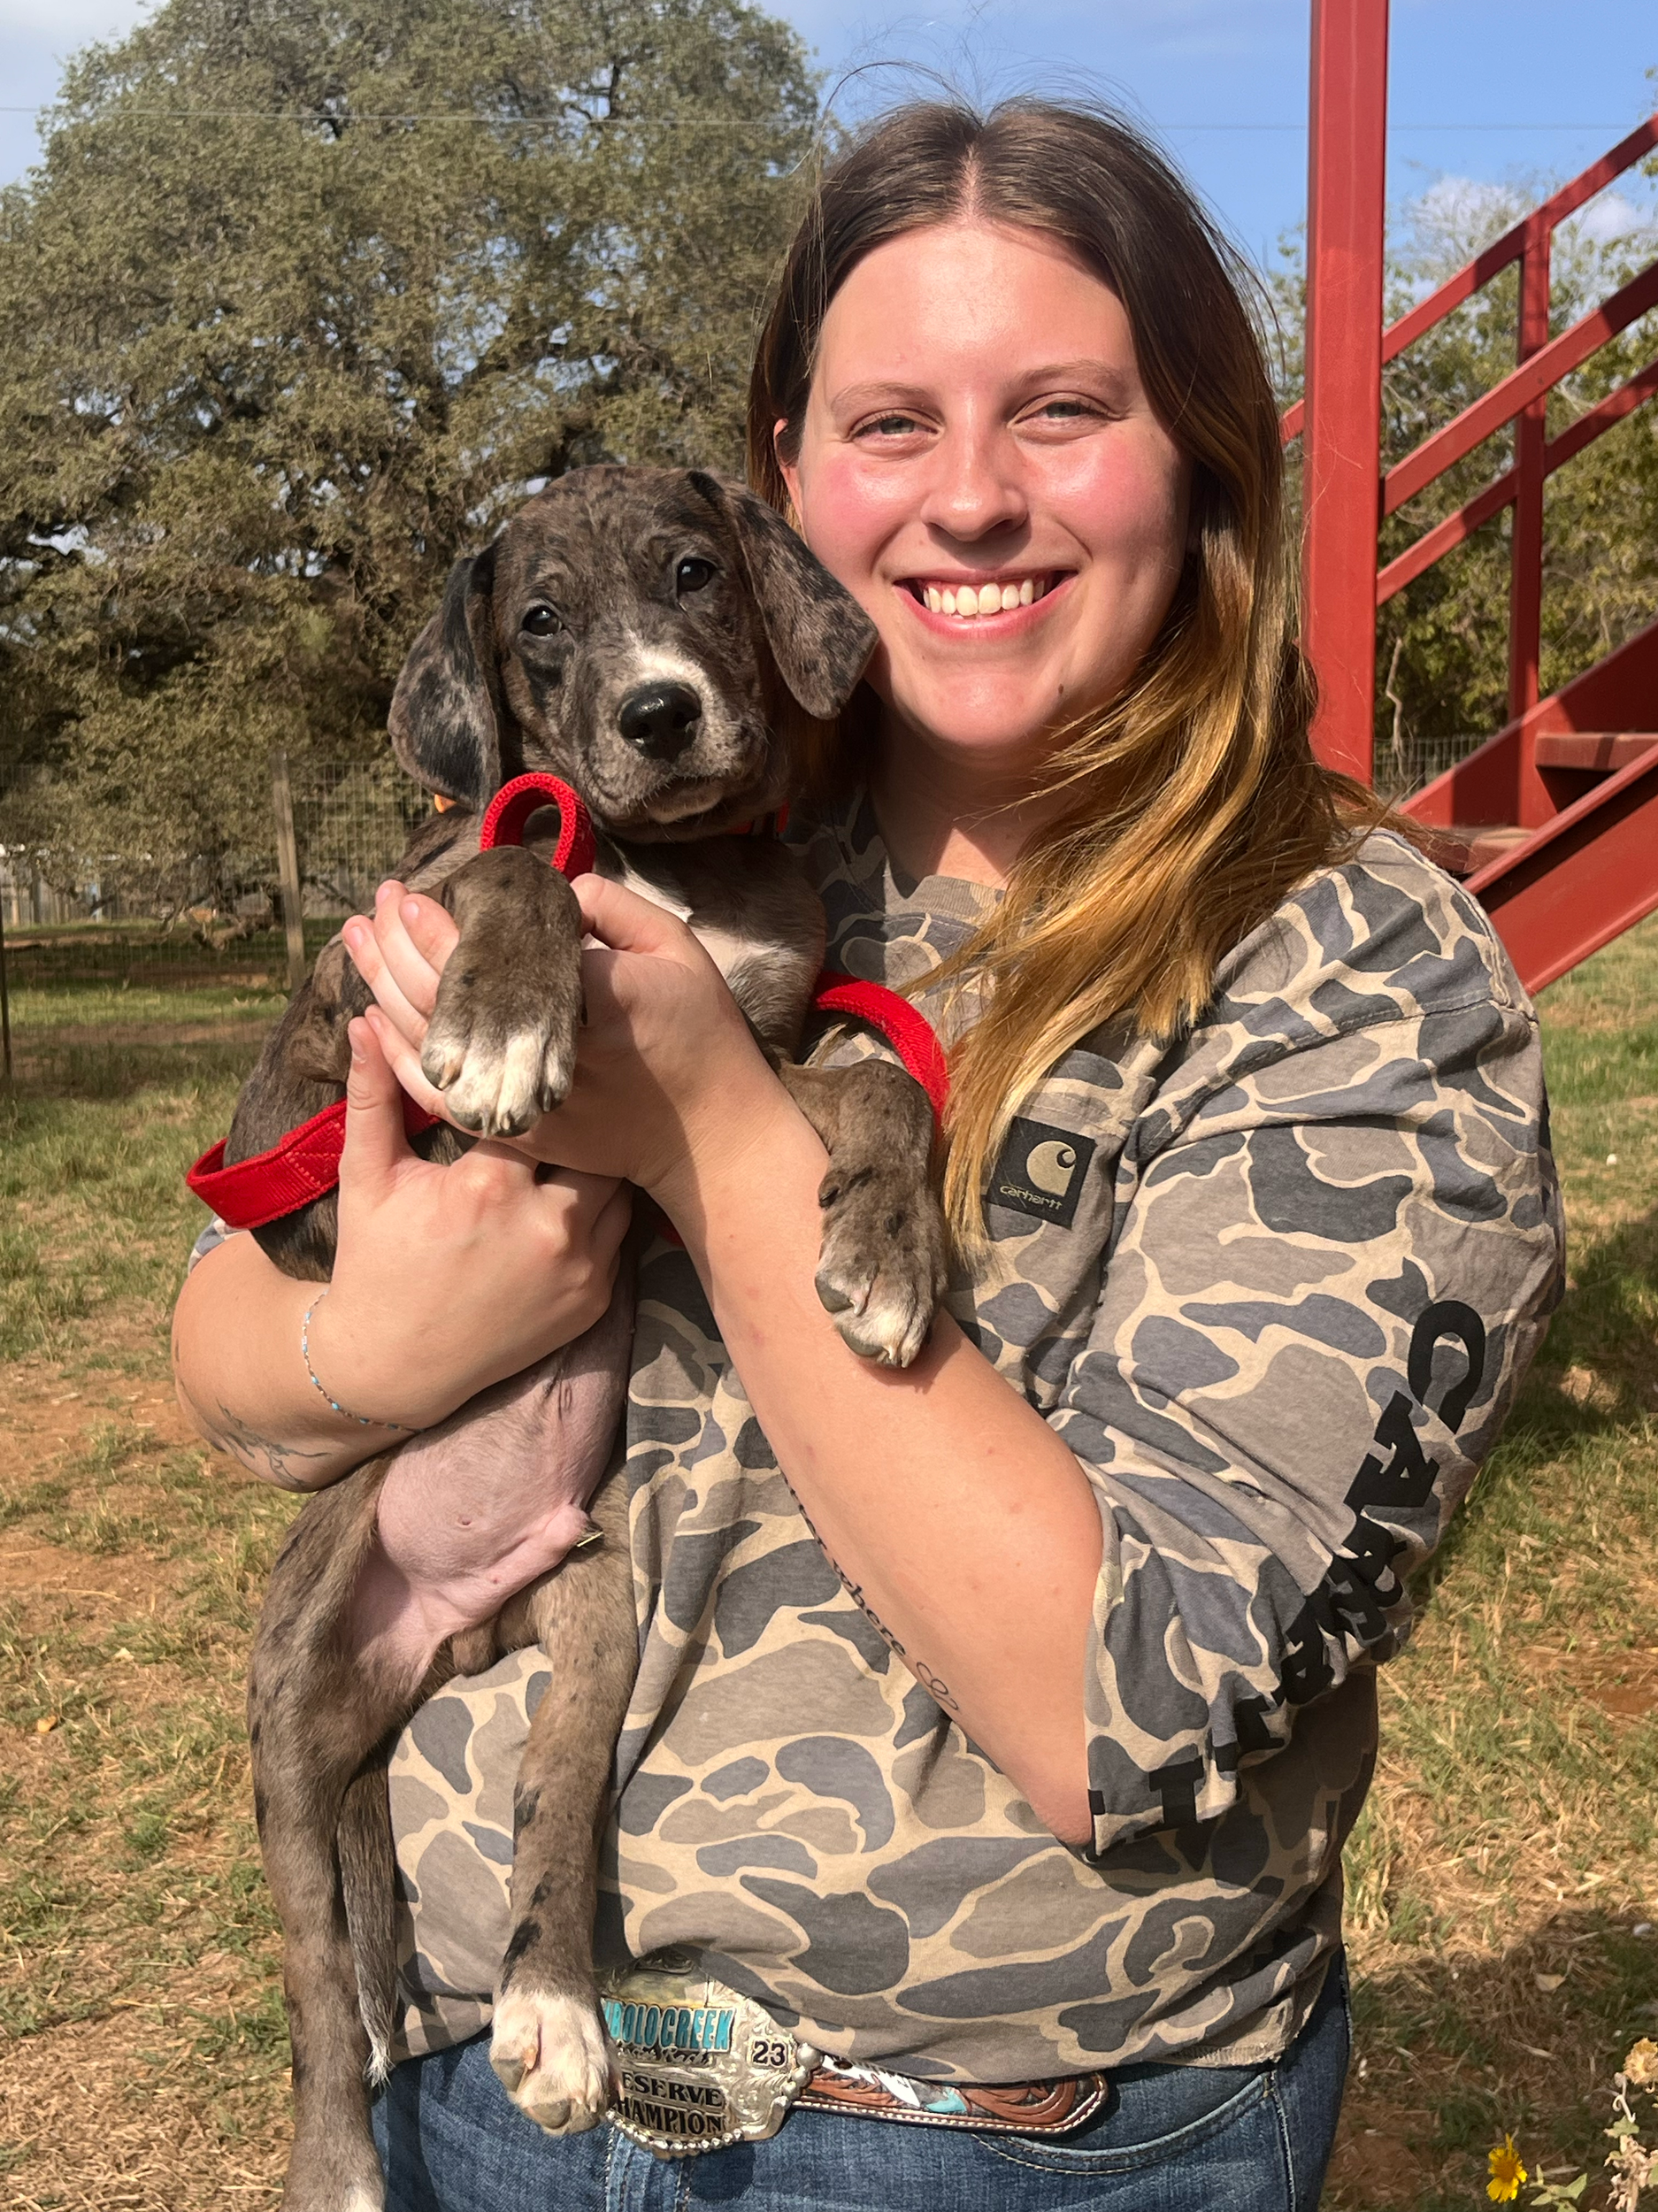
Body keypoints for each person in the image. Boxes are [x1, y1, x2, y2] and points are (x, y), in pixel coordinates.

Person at [173, 97, 1563, 2212]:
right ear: (788, 493)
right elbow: (227, 1364)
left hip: (989, 2146)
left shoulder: (1356, 972)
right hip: (496, 2085)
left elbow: (1140, 1695)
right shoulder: (693, 848)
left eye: (1064, 411)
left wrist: (706, 1129)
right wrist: (371, 1342)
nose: (973, 498)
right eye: (890, 423)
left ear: (1198, 456)